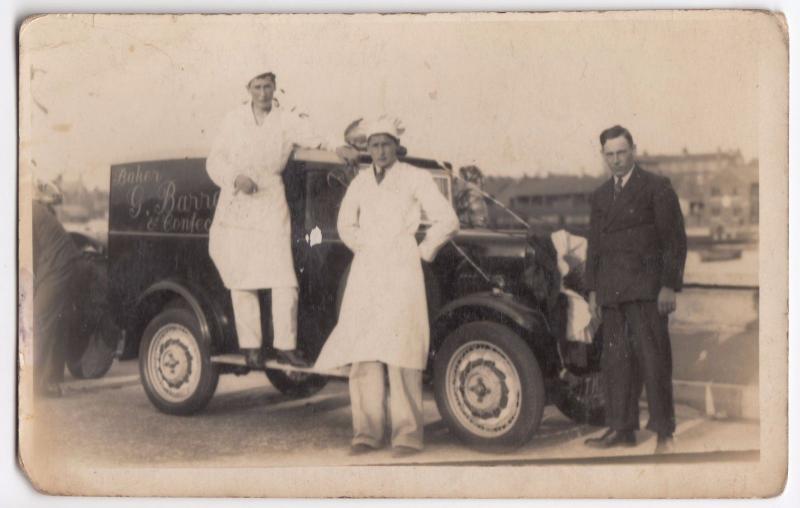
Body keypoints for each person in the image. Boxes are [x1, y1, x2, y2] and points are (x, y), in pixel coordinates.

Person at [314, 116, 459, 458]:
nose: (380, 151)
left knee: (402, 349)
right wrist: (364, 245)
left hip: (402, 268)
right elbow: (345, 223)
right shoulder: (361, 182)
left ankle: (408, 434)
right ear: (368, 149)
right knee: (364, 348)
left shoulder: (415, 177)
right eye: (374, 145)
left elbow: (448, 219)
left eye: (386, 144)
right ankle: (366, 432)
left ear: (397, 147)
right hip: (366, 270)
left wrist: (422, 251)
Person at [207, 70, 349, 368]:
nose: (262, 93)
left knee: (282, 277)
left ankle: (286, 346)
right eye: (257, 87)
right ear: (248, 88)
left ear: (275, 87)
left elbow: (316, 136)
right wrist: (235, 178)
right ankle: (251, 348)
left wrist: (337, 145)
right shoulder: (233, 120)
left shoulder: (286, 120)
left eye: (267, 86)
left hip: (271, 199)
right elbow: (214, 160)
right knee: (242, 278)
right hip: (238, 201)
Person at [584, 125, 687, 453]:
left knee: (654, 362)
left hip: (646, 291)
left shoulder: (656, 187)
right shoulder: (600, 196)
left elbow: (674, 241)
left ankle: (664, 434)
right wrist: (592, 291)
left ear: (633, 151)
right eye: (609, 155)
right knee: (616, 363)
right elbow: (595, 248)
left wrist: (669, 286)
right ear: (603, 156)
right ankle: (621, 428)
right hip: (612, 293)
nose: (616, 160)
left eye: (621, 153)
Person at [32, 181, 81, 397]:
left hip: (58, 266)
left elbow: (28, 258)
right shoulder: (35, 210)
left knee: (40, 319)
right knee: (57, 319)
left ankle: (35, 385)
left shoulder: (28, 212)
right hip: (66, 263)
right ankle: (52, 379)